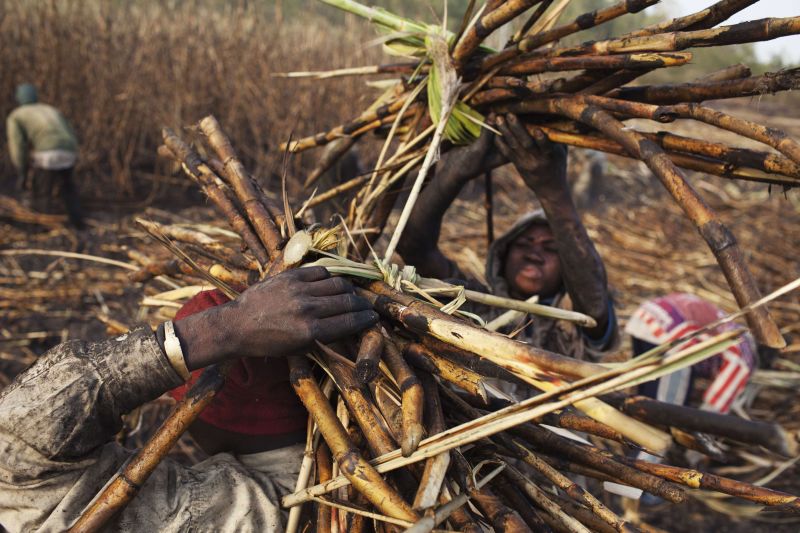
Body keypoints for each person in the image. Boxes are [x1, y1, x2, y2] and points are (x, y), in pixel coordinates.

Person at [0, 267, 378, 531]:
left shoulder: (223, 513)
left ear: (198, 412)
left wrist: (225, 328)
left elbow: (18, 431)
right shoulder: (325, 503)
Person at [397, 113, 617, 361]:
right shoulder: (472, 306)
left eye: (550, 248)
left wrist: (552, 189)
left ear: (568, 270)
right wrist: (454, 174)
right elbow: (414, 248)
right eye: (524, 243)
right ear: (501, 257)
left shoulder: (572, 327)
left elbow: (594, 302)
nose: (534, 253)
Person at [625, 292, 757, 414]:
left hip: (647, 315)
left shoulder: (731, 326)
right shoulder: (744, 355)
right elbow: (713, 409)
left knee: (644, 401)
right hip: (670, 337)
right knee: (666, 411)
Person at [6, 83, 84, 228]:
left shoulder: (16, 115)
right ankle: (78, 223)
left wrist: (21, 169)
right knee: (68, 188)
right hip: (69, 150)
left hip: (48, 152)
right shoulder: (50, 109)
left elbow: (17, 145)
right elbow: (70, 131)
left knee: (42, 192)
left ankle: (43, 226)